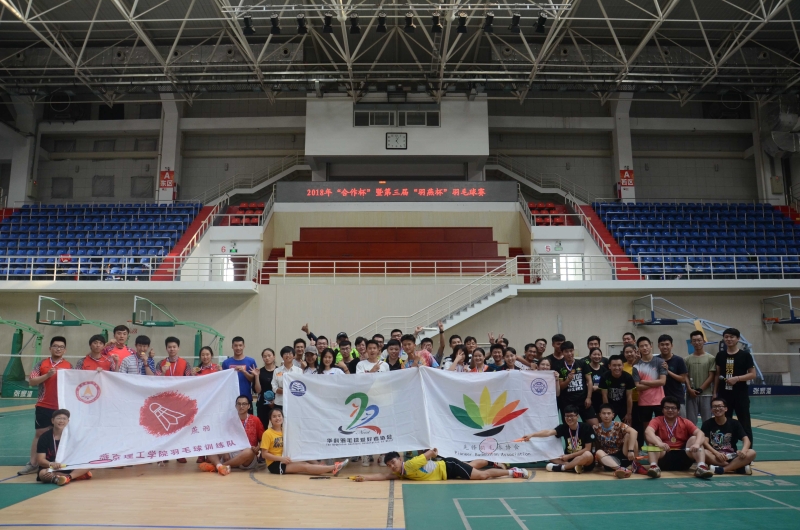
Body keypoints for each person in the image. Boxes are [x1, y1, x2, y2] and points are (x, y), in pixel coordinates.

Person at [18, 336, 73, 476]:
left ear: (65, 350)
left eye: (61, 347)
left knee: (63, 434)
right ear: (50, 348)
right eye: (55, 346)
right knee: (39, 434)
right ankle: (33, 463)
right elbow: (32, 381)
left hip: (61, 407)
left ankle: (62, 462)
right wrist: (47, 375)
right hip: (44, 405)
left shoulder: (69, 366)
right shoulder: (41, 364)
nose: (58, 349)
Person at [261, 408, 349, 476]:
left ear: (283, 417)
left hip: (286, 458)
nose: (277, 418)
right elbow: (264, 454)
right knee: (304, 466)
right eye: (274, 416)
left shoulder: (285, 430)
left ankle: (323, 467)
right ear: (270, 419)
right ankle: (335, 467)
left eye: (279, 416)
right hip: (276, 464)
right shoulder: (267, 433)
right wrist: (281, 459)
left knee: (305, 455)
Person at [352, 448, 529, 481]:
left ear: (400, 459)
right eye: (389, 465)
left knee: (483, 475)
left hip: (449, 467)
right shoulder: (400, 471)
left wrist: (433, 451)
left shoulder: (411, 464)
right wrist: (364, 477)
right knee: (470, 465)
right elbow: (384, 475)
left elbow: (430, 453)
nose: (392, 466)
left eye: (393, 462)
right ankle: (492, 461)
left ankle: (513, 472)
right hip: (446, 469)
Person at [644, 396, 713, 479]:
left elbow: (700, 433)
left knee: (695, 439)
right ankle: (654, 467)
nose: (670, 410)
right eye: (667, 408)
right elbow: (648, 432)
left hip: (683, 458)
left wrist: (697, 444)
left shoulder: (685, 422)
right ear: (662, 410)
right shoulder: (657, 420)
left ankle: (701, 467)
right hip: (664, 457)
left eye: (673, 408)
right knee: (654, 441)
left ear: (678, 410)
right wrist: (659, 443)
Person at [200, 396, 264, 475]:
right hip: (231, 452)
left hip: (246, 456)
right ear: (236, 406)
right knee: (209, 447)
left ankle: (219, 466)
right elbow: (223, 438)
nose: (241, 406)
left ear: (249, 406)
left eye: (244, 404)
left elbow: (263, 439)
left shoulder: (255, 420)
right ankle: (220, 466)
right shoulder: (230, 420)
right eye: (239, 404)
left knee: (249, 451)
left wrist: (257, 448)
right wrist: (225, 452)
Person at [522, 405, 595, 473]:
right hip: (568, 459)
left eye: (572, 416)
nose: (569, 418)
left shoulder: (586, 427)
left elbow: (587, 449)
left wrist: (569, 456)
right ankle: (574, 466)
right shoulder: (564, 427)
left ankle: (563, 468)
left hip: (583, 459)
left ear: (577, 416)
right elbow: (548, 432)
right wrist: (532, 435)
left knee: (588, 454)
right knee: (549, 455)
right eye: (567, 416)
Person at [713, 328, 755, 444]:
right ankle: (727, 449)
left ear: (738, 339)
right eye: (726, 337)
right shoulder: (720, 355)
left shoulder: (745, 355)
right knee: (724, 423)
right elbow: (717, 375)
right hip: (724, 396)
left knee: (745, 423)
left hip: (741, 396)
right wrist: (715, 392)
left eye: (732, 337)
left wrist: (737, 378)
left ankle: (748, 451)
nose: (729, 339)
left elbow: (752, 374)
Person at [701, 397, 756, 475]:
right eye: (714, 407)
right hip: (715, 456)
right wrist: (716, 453)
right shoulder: (707, 424)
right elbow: (705, 442)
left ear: (726, 409)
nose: (717, 409)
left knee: (751, 452)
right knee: (704, 452)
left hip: (732, 456)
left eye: (720, 406)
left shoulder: (734, 423)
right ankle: (737, 468)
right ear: (711, 410)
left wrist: (744, 451)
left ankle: (723, 469)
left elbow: (746, 439)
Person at [35, 409, 91, 486]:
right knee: (43, 474)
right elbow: (40, 460)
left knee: (88, 464)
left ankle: (66, 477)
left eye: (64, 419)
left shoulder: (73, 436)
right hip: (52, 467)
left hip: (69, 466)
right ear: (52, 420)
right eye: (58, 418)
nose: (61, 421)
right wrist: (51, 464)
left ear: (68, 421)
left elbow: (81, 455)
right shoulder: (44, 437)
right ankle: (71, 476)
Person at [592, 404, 639, 478]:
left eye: (608, 413)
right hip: (608, 460)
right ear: (600, 415)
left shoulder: (619, 425)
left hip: (623, 456)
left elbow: (634, 432)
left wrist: (630, 450)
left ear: (613, 415)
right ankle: (619, 469)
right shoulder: (596, 428)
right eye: (604, 413)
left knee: (629, 435)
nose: (606, 416)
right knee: (599, 452)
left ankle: (636, 465)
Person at [634, 336, 667, 443]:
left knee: (661, 426)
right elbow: (637, 386)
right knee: (646, 427)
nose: (644, 348)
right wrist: (655, 383)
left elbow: (662, 381)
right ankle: (649, 448)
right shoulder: (636, 366)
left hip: (659, 400)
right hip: (644, 402)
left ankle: (661, 446)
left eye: (646, 345)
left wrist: (644, 382)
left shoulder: (660, 362)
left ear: (651, 346)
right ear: (638, 349)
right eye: (641, 346)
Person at [556, 341, 597, 425]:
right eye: (566, 351)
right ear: (562, 352)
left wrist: (589, 397)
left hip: (583, 400)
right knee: (570, 426)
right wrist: (568, 380)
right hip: (568, 402)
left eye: (571, 351)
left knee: (595, 425)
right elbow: (560, 387)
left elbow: (589, 381)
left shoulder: (582, 363)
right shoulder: (559, 366)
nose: (569, 353)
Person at [686, 330, 716, 424]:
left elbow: (711, 376)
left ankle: (707, 435)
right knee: (691, 422)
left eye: (699, 340)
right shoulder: (687, 359)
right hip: (691, 395)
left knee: (707, 421)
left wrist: (700, 389)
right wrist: (690, 389)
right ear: (691, 343)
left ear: (704, 341)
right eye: (694, 340)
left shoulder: (711, 358)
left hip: (706, 394)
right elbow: (685, 376)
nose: (697, 342)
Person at [657, 334, 688, 418]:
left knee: (681, 422)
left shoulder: (679, 360)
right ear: (658, 346)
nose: (665, 347)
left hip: (677, 398)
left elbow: (683, 379)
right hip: (660, 399)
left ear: (672, 345)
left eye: (667, 344)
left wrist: (667, 371)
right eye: (662, 344)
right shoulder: (656, 360)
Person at [600, 355, 635, 424]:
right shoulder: (604, 377)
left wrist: (629, 414)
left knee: (628, 425)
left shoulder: (628, 377)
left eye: (619, 365)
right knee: (607, 424)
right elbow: (604, 396)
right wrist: (607, 412)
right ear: (609, 366)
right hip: (610, 404)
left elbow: (629, 397)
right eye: (614, 365)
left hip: (623, 405)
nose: (617, 368)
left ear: (623, 366)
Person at [622, 344, 643, 446]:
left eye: (631, 351)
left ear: (636, 352)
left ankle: (640, 446)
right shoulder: (622, 366)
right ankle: (628, 446)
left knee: (639, 424)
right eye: (627, 352)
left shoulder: (642, 364)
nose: (629, 354)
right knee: (628, 424)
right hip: (626, 400)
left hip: (641, 400)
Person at [272, 346, 302, 413]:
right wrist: (281, 390)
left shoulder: (299, 371)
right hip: (280, 402)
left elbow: (300, 386)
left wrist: (285, 390)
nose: (288, 355)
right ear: (282, 356)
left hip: (294, 402)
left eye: (290, 353)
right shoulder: (277, 371)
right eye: (285, 354)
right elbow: (274, 386)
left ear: (294, 356)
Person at [253, 348, 277, 428]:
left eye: (269, 356)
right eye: (264, 356)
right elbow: (258, 390)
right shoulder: (259, 371)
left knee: (277, 427)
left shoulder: (279, 371)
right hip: (262, 404)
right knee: (262, 428)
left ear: (274, 357)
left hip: (277, 403)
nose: (267, 358)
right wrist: (256, 376)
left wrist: (275, 401)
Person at [585, 347, 607, 414]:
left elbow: (606, 385)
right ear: (590, 356)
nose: (597, 356)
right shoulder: (586, 368)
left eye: (598, 354)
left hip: (601, 398)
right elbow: (585, 384)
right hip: (589, 398)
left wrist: (597, 387)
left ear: (601, 356)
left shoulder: (604, 370)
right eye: (594, 354)